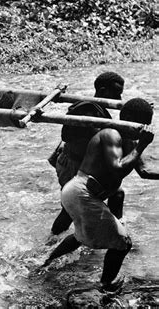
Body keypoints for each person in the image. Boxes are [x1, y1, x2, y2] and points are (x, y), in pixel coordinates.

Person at [42, 98, 158, 292]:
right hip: (81, 192)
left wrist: (138, 147)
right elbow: (117, 169)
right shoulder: (110, 135)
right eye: (141, 123)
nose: (144, 128)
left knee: (81, 236)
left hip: (83, 194)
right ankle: (106, 285)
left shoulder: (128, 141)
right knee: (123, 243)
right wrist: (141, 146)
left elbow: (144, 171)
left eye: (146, 124)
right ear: (128, 119)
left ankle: (44, 265)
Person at [49, 72, 125, 237]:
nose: (120, 96)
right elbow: (97, 139)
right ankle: (52, 240)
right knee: (70, 210)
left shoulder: (96, 108)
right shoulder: (88, 110)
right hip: (73, 166)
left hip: (80, 164)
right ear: (103, 91)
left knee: (117, 194)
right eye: (117, 92)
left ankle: (114, 231)